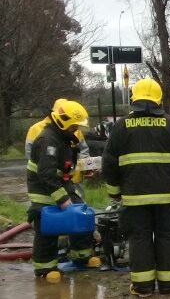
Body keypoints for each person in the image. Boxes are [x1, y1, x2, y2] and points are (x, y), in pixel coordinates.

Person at [102, 78, 170, 297]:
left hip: (134, 199)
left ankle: (143, 288)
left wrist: (114, 192)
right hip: (167, 198)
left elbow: (109, 162)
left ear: (134, 98)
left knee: (140, 238)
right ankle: (169, 286)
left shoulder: (121, 126)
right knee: (167, 238)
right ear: (158, 99)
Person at [27, 100, 99, 281]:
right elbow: (47, 174)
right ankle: (45, 269)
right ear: (63, 122)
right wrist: (63, 200)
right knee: (47, 229)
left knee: (80, 214)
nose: (76, 129)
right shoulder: (47, 141)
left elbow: (65, 167)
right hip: (44, 191)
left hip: (62, 185)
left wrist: (85, 169)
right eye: (74, 125)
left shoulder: (63, 138)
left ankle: (81, 256)